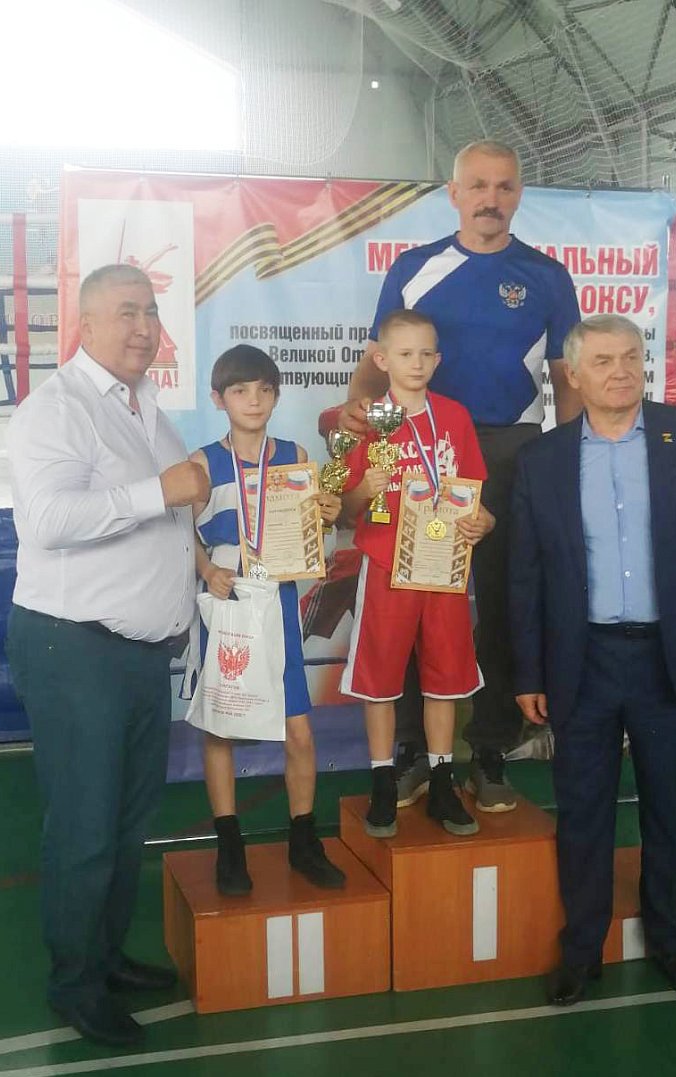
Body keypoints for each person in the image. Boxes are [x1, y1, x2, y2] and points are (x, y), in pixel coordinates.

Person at [509, 314, 676, 1006]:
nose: (620, 371)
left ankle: (674, 942)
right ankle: (581, 950)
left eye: (630, 357)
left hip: (668, 658)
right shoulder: (543, 460)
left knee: (667, 807)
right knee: (582, 811)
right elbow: (524, 576)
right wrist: (529, 672)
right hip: (581, 662)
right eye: (603, 361)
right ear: (573, 375)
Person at [338, 140, 580, 814]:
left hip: (506, 451)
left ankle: (491, 748)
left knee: (502, 600)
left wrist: (569, 461)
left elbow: (567, 380)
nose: (490, 199)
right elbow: (375, 363)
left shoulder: (546, 275)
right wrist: (356, 423)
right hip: (418, 444)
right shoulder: (413, 269)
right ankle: (413, 752)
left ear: (519, 195)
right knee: (414, 592)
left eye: (504, 187)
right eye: (477, 185)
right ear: (453, 194)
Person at [5, 264, 209, 1047]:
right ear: (84, 324)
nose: (143, 328)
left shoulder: (146, 407)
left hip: (138, 656)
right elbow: (51, 520)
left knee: (126, 824)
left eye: (150, 313)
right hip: (75, 649)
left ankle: (106, 955)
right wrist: (163, 491)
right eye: (126, 313)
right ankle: (74, 983)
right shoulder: (56, 410)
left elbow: (169, 515)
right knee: (86, 827)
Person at [188, 344, 346, 894]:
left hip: (276, 600)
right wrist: (207, 569)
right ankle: (229, 846)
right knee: (222, 724)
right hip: (228, 601)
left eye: (263, 390)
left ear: (276, 396)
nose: (253, 400)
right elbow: (180, 533)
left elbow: (309, 533)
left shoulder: (295, 454)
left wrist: (327, 517)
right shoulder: (203, 463)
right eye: (240, 390)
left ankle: (303, 839)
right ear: (219, 399)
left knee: (297, 728)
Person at [339, 310, 494, 837]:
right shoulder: (366, 421)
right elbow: (344, 509)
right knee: (381, 680)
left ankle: (443, 781)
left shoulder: (455, 417)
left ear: (439, 359)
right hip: (387, 565)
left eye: (427, 353)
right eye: (406, 354)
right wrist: (365, 489)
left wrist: (484, 522)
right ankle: (383, 781)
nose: (418, 363)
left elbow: (474, 497)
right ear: (382, 359)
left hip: (444, 567)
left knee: (445, 680)